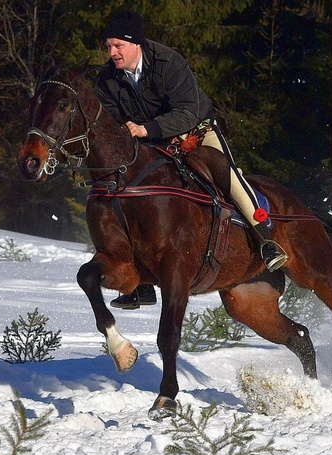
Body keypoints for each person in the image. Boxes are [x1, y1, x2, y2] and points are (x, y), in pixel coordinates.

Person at [94, 9, 288, 307]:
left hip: (195, 131)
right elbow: (113, 122)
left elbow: (186, 111)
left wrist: (147, 128)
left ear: (136, 44)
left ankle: (266, 240)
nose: (112, 52)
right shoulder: (106, 78)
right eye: (108, 45)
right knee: (125, 191)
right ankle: (138, 282)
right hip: (151, 142)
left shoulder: (168, 62)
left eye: (118, 45)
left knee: (228, 175)